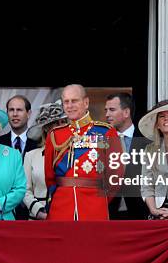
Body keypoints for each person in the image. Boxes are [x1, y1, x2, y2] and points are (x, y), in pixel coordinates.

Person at [44, 84, 123, 221]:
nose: (69, 105)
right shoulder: (55, 135)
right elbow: (50, 178)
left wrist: (100, 200)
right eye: (66, 102)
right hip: (61, 209)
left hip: (94, 208)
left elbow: (115, 176)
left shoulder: (106, 132)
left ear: (86, 102)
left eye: (74, 101)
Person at [105, 92, 150, 220]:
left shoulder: (147, 141)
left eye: (112, 110)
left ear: (126, 113)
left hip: (141, 214)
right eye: (106, 110)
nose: (107, 114)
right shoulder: (101, 141)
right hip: (109, 214)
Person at [22, 100, 67, 220]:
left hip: (65, 217)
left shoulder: (73, 154)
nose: (62, 126)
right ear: (47, 128)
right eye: (56, 123)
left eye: (64, 122)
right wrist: (39, 212)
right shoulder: (31, 156)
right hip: (38, 219)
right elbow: (25, 190)